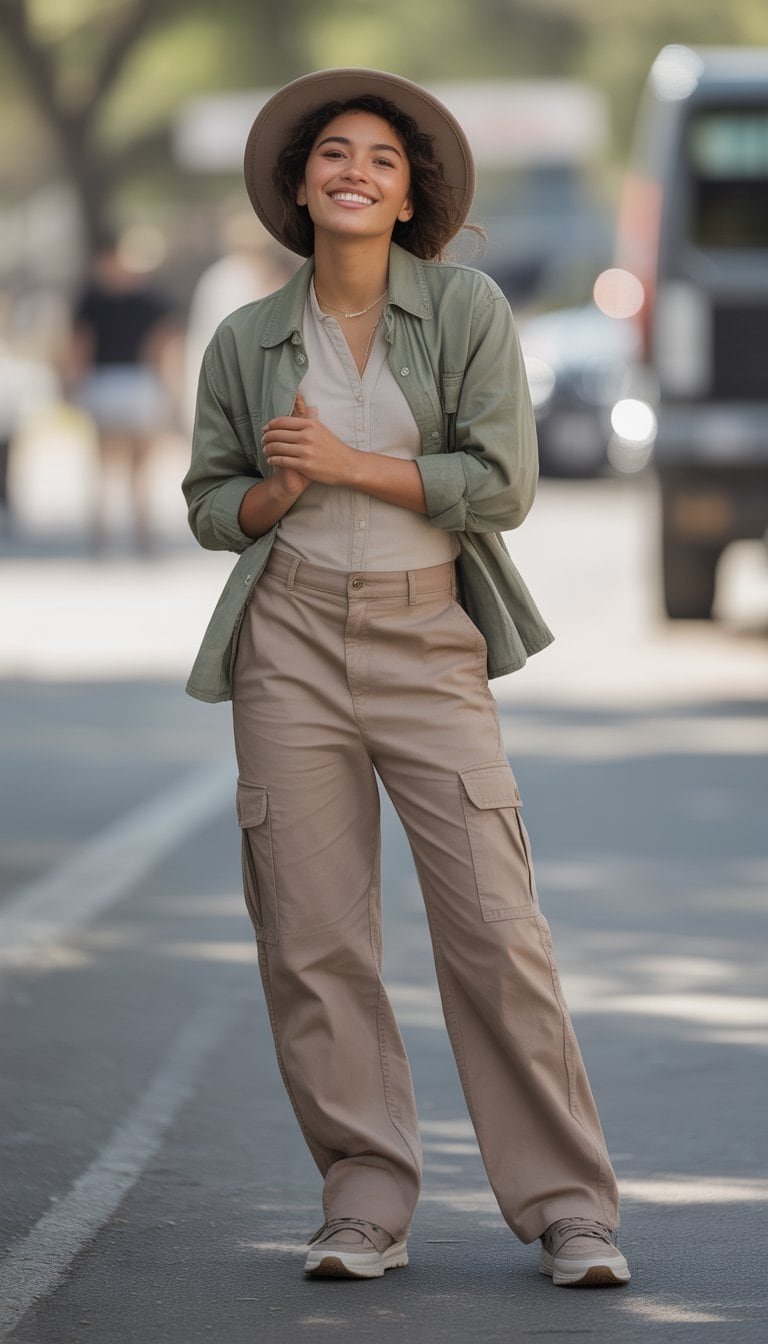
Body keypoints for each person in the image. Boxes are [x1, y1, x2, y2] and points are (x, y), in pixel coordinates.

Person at [183, 68, 631, 1288]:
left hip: (428, 637)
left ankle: (570, 1210)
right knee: (314, 939)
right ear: (299, 183)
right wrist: (272, 494)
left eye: (382, 159)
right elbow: (211, 502)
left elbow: (504, 485)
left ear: (409, 193)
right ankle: (362, 1201)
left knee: (495, 927)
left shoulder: (469, 310)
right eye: (335, 152)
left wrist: (348, 463)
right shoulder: (246, 339)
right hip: (287, 645)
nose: (356, 172)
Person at [71, 237, 176, 553]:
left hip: (105, 382)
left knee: (107, 464)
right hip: (138, 383)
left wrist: (75, 381)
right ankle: (141, 536)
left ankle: (102, 536)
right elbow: (163, 346)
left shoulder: (92, 298)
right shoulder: (152, 300)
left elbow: (79, 344)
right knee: (137, 466)